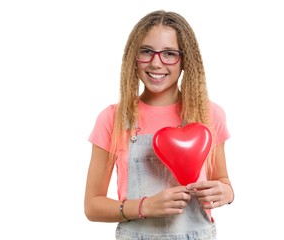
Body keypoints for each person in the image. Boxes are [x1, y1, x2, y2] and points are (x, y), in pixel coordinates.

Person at [84, 10, 234, 240]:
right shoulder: (113, 118)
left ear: (185, 61)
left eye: (169, 53)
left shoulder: (209, 114)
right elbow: (92, 206)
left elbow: (223, 180)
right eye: (146, 51)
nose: (156, 63)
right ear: (133, 57)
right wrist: (145, 206)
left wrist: (226, 192)